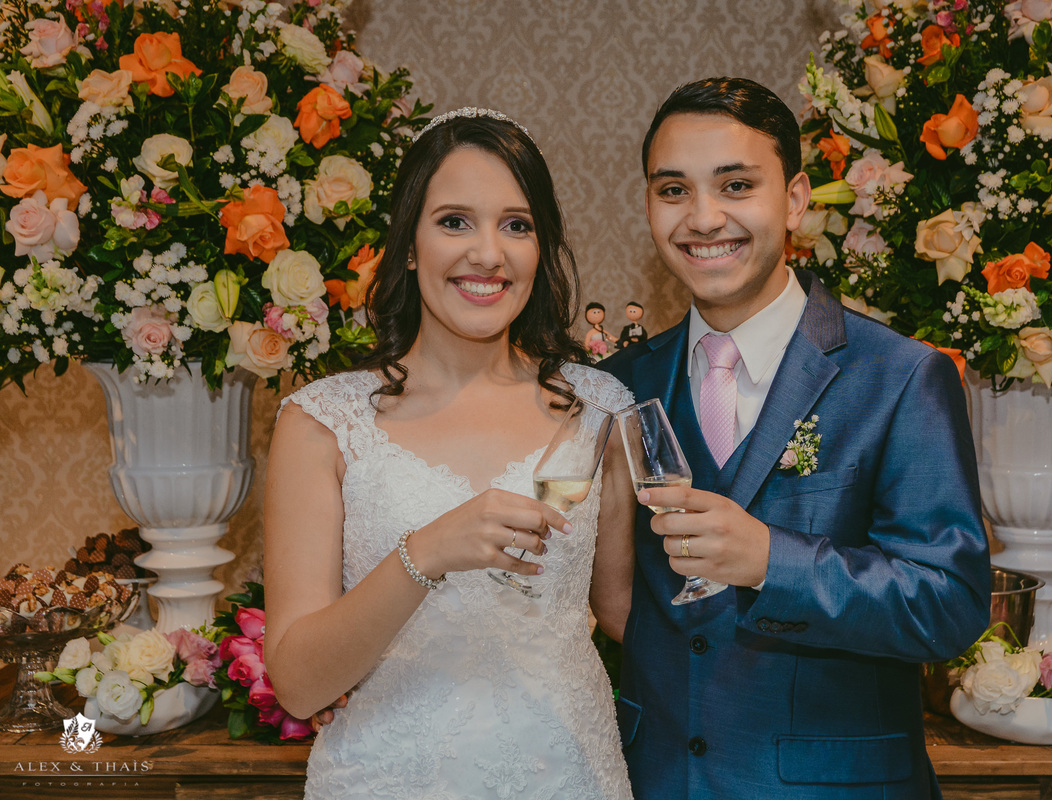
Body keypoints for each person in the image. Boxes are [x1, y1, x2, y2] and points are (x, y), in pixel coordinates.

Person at [600, 77, 991, 799]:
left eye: (737, 184)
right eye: (673, 190)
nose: (704, 217)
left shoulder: (901, 378)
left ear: (796, 198)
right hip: (654, 781)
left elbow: (949, 606)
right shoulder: (618, 384)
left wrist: (771, 560)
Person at [264, 108, 635, 800]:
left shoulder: (601, 411)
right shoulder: (323, 424)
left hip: (567, 777)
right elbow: (299, 682)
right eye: (454, 221)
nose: (488, 254)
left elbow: (628, 616)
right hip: (383, 779)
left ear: (540, 247)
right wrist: (424, 554)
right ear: (407, 246)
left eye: (516, 225)